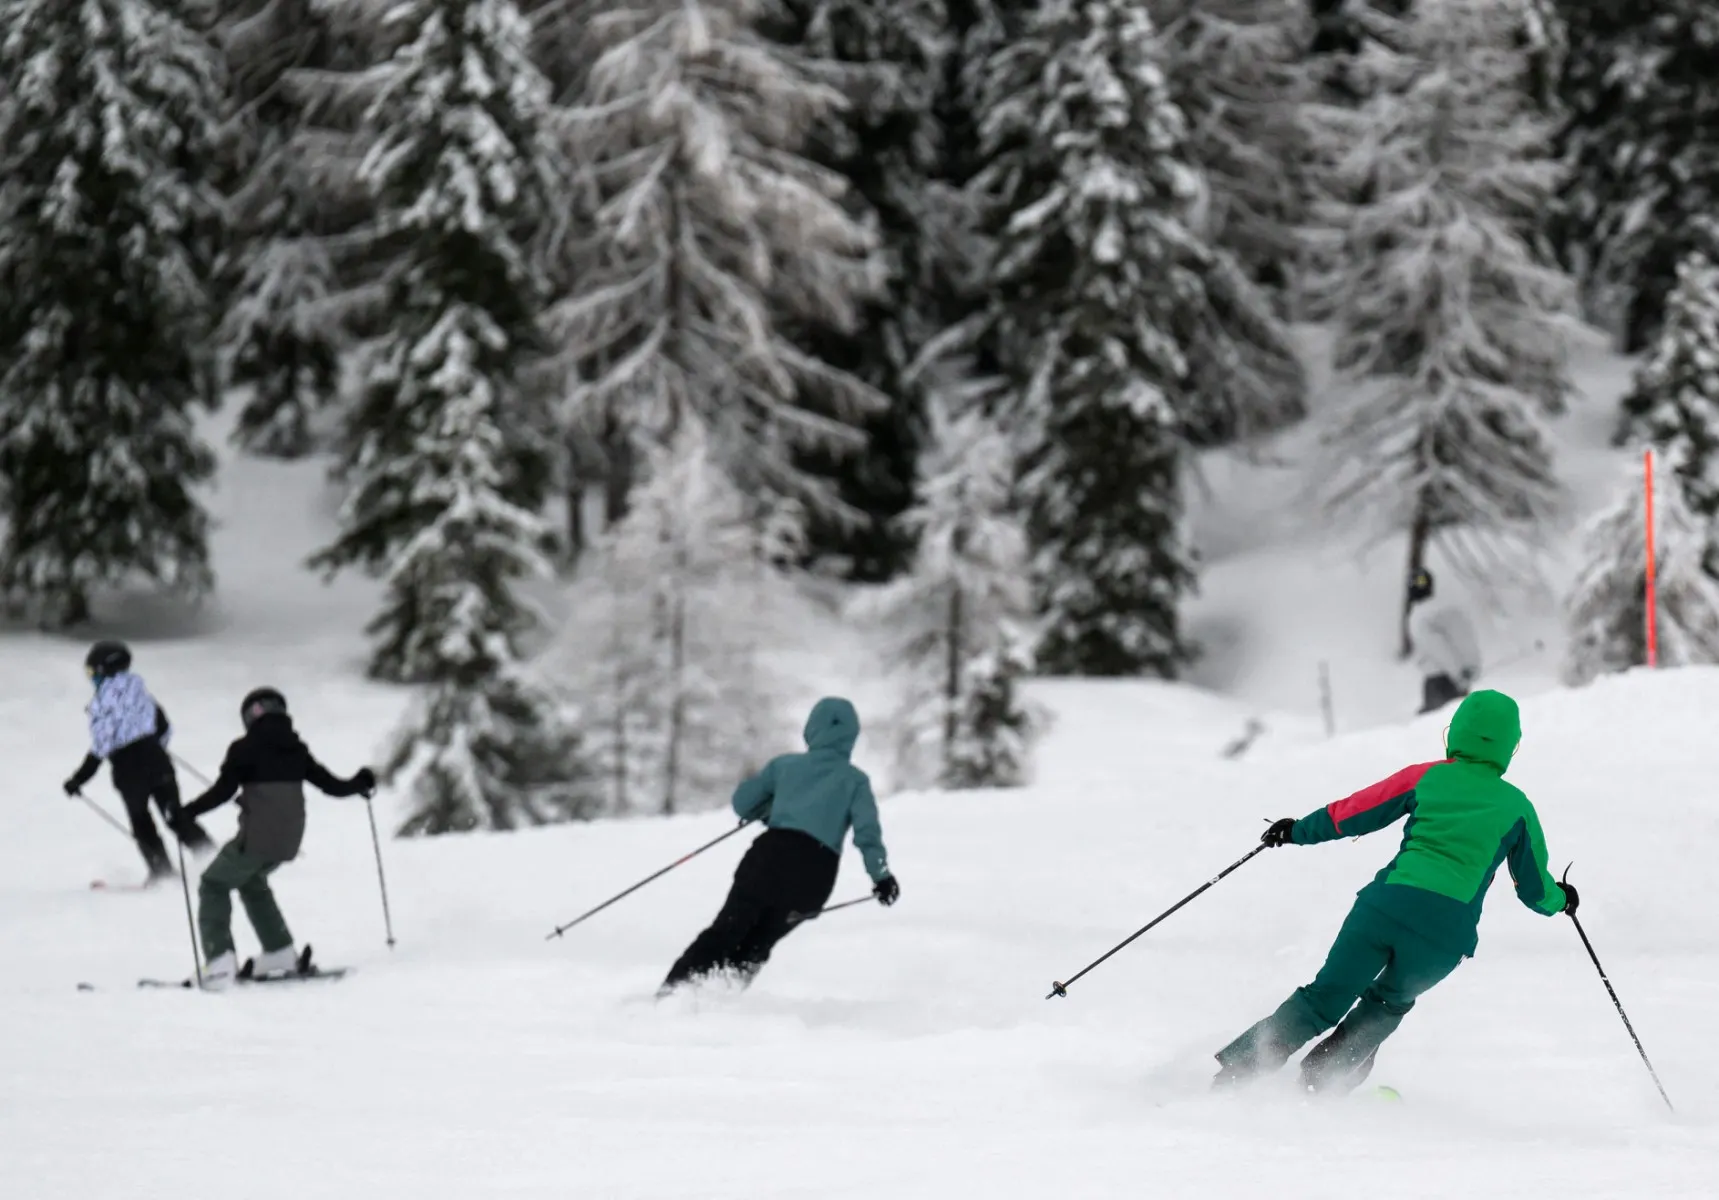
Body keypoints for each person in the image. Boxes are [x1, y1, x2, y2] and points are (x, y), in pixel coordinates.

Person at [1213, 689, 1573, 1094]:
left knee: (1322, 999)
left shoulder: (1425, 776)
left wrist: (1296, 830)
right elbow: (1535, 890)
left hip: (1384, 911)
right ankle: (1319, 1088)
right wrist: (1563, 900)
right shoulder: (1517, 807)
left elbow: (1354, 813)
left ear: (1454, 733)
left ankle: (1235, 1075)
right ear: (1512, 746)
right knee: (1385, 1006)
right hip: (1443, 939)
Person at [661, 697, 899, 994]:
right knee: (759, 942)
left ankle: (673, 995)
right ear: (852, 737)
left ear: (812, 729)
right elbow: (868, 836)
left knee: (727, 930)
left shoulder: (785, 766)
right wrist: (882, 877)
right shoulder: (856, 782)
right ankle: (719, 1000)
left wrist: (772, 809)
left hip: (770, 859)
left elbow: (743, 803)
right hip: (814, 877)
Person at [170, 688, 375, 990]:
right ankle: (279, 951)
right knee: (252, 882)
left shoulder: (244, 748)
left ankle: (219, 961)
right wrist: (360, 783)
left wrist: (187, 812)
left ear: (250, 716)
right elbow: (332, 786)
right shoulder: (296, 749)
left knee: (214, 883)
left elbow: (223, 791)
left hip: (256, 838)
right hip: (288, 841)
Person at [63, 640, 211, 882]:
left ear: (103, 670)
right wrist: (153, 747)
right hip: (158, 763)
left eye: (91, 673)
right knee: (174, 814)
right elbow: (164, 727)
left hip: (129, 773)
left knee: (142, 822)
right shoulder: (142, 694)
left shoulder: (102, 704)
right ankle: (211, 858)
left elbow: (101, 747)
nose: (91, 679)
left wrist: (77, 780)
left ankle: (161, 872)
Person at [1407, 568, 1480, 713]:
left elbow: (1439, 649)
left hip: (1439, 681)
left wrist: (1458, 674)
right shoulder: (1442, 610)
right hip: (1451, 678)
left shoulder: (1420, 616)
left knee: (1439, 725)